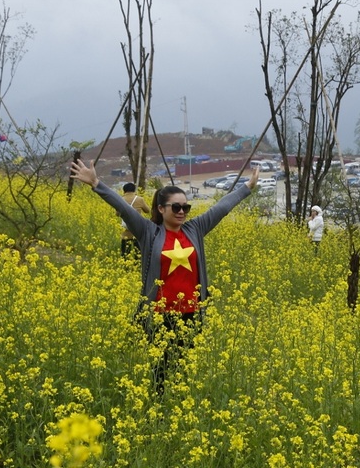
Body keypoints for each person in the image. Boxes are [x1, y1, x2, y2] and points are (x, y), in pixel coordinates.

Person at [70, 159, 258, 395]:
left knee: (184, 364)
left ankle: (178, 401)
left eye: (185, 208)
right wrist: (96, 183)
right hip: (160, 314)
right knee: (162, 366)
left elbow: (220, 208)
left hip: (191, 311)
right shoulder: (148, 232)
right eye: (175, 207)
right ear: (161, 208)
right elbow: (125, 208)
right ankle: (158, 404)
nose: (182, 212)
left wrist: (247, 187)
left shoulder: (195, 229)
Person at [119, 182, 150, 260]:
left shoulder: (120, 200)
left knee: (125, 253)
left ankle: (126, 267)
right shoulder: (139, 199)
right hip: (138, 230)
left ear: (124, 191)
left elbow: (117, 213)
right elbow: (147, 210)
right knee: (138, 253)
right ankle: (138, 266)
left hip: (126, 230)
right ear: (134, 190)